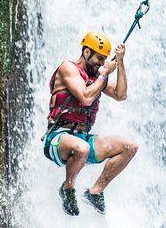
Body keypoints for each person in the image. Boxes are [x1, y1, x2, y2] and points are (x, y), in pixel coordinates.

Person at [42, 31, 138, 216]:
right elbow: (85, 98)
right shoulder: (67, 68)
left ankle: (96, 191)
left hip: (82, 138)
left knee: (129, 147)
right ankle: (68, 188)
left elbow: (121, 95)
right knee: (83, 148)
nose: (101, 64)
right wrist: (104, 75)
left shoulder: (98, 77)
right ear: (86, 52)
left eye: (104, 60)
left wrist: (119, 63)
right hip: (57, 138)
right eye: (99, 59)